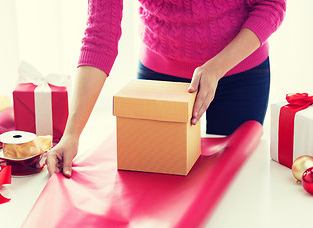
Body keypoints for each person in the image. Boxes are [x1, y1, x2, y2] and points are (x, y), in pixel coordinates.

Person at [47, 0, 286, 177]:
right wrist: (72, 135)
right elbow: (99, 36)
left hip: (240, 71)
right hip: (159, 75)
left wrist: (217, 67)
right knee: (154, 185)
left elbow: (271, 5)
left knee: (234, 185)